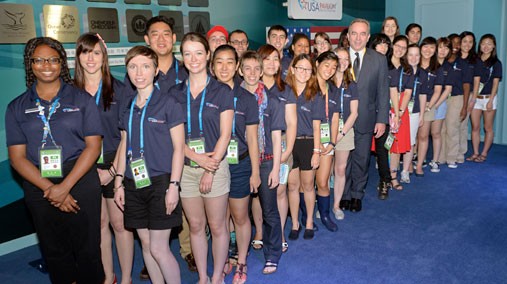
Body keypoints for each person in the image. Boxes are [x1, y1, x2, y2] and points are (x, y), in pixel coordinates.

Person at [6, 36, 104, 283]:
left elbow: (93, 147)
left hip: (79, 178)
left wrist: (65, 187)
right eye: (39, 60)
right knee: (54, 250)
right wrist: (52, 189)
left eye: (52, 59)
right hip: (39, 182)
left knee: (88, 248)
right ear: (30, 64)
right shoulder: (16, 107)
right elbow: (17, 158)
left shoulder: (82, 100)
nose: (46, 65)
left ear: (62, 63)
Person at [114, 46, 185, 284]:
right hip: (133, 182)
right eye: (133, 67)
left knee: (158, 248)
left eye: (145, 66)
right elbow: (124, 146)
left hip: (161, 182)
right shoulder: (128, 107)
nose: (139, 72)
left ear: (156, 71)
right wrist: (118, 183)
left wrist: (174, 185)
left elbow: (179, 148)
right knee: (145, 244)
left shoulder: (169, 103)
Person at [170, 32, 234, 284]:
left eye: (199, 52)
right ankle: (203, 277)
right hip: (185, 168)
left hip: (215, 166)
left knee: (217, 226)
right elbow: (172, 138)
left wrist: (210, 168)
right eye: (187, 53)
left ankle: (217, 276)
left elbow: (226, 134)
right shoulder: (174, 93)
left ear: (208, 55)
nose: (193, 58)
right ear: (182, 57)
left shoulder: (221, 90)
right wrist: (196, 158)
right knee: (195, 226)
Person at [74, 32, 133, 284]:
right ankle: (109, 277)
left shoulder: (120, 89)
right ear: (78, 56)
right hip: (83, 164)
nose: (91, 58)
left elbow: (127, 135)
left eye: (96, 52)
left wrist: (111, 172)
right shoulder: (69, 93)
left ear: (104, 56)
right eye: (86, 52)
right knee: (98, 225)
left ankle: (127, 277)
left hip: (114, 162)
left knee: (119, 224)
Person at [211, 45, 259, 284]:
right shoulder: (206, 95)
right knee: (220, 219)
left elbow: (252, 138)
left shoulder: (248, 99)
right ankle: (226, 258)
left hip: (240, 164)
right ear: (212, 65)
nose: (224, 67)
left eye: (230, 62)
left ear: (237, 66)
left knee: (240, 216)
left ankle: (241, 260)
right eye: (219, 62)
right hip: (215, 165)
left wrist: (256, 172)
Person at [239, 50, 285, 275]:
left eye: (257, 68)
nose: (252, 73)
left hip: (266, 161)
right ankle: (238, 251)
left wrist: (276, 168)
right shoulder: (233, 98)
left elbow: (277, 137)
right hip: (240, 161)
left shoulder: (272, 100)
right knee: (239, 212)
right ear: (240, 70)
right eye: (247, 68)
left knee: (270, 210)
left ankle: (273, 253)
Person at [340, 18, 389, 213]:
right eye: (354, 33)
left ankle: (356, 194)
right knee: (343, 161)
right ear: (348, 36)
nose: (358, 38)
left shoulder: (378, 59)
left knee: (361, 159)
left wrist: (382, 119)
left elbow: (383, 92)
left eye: (362, 34)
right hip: (341, 119)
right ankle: (343, 194)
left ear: (368, 37)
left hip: (366, 118)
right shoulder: (339, 57)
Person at [258, 44, 297, 253]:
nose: (273, 63)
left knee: (279, 191)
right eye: (267, 59)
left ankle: (279, 233)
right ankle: (259, 232)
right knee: (259, 193)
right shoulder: (252, 87)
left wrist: (288, 150)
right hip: (256, 147)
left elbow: (291, 123)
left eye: (276, 59)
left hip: (280, 144)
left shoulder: (286, 89)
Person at [286, 53, 325, 240]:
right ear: (292, 69)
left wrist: (317, 151)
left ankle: (309, 221)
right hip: (289, 144)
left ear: (312, 72)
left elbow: (317, 126)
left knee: (308, 185)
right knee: (292, 185)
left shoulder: (315, 95)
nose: (303, 72)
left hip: (308, 142)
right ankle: (294, 223)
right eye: (299, 68)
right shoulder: (284, 92)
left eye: (307, 69)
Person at [415, 37, 452, 176]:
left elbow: (438, 91)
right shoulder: (414, 64)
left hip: (429, 107)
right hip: (412, 106)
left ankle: (419, 165)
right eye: (425, 46)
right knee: (414, 137)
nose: (428, 50)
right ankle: (412, 161)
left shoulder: (438, 69)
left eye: (432, 47)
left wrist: (429, 107)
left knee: (424, 136)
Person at [332, 47, 359, 217]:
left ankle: (336, 205)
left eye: (345, 59)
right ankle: (324, 203)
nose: (342, 62)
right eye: (338, 58)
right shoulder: (325, 82)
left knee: (340, 169)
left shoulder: (352, 85)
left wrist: (341, 133)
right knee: (324, 171)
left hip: (345, 131)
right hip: (325, 131)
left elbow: (354, 112)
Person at [314, 51, 339, 232]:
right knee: (304, 184)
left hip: (327, 141)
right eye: (326, 65)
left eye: (334, 67)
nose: (330, 70)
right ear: (317, 64)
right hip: (307, 140)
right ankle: (307, 216)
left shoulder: (334, 89)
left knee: (322, 182)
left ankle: (324, 214)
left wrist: (331, 142)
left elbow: (336, 118)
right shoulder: (305, 86)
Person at [439, 33, 472, 168]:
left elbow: (466, 85)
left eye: (459, 43)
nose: (457, 45)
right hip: (443, 99)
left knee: (453, 128)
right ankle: (442, 156)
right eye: (454, 42)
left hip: (457, 98)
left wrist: (465, 106)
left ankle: (452, 157)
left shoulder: (463, 63)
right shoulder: (443, 62)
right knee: (442, 129)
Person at [469, 34, 502, 162]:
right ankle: (476, 153)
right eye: (483, 43)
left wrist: (490, 100)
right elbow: (474, 81)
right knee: (475, 127)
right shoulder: (475, 60)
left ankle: (484, 153)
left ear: (493, 46)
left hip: (489, 98)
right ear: (480, 45)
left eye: (489, 43)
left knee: (487, 127)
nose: (486, 46)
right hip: (476, 98)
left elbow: (495, 83)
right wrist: (472, 99)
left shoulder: (496, 63)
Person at [387, 36, 413, 190]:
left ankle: (393, 176)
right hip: (383, 108)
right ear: (392, 45)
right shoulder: (383, 63)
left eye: (404, 47)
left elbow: (408, 93)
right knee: (384, 146)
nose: (400, 49)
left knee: (396, 146)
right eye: (398, 45)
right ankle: (384, 177)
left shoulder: (407, 68)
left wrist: (399, 114)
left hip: (400, 111)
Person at [405, 44, 428, 179]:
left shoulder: (423, 74)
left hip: (414, 111)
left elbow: (423, 95)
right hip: (400, 112)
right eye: (410, 55)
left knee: (411, 140)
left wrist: (422, 115)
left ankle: (408, 167)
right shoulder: (402, 72)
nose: (414, 58)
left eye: (417, 55)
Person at [431, 37, 454, 171]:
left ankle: (435, 160)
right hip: (424, 103)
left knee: (436, 133)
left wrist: (435, 105)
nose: (443, 50)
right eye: (440, 47)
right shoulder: (428, 63)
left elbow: (448, 90)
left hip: (439, 104)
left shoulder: (449, 68)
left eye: (446, 48)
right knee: (420, 134)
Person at [458, 31, 477, 163]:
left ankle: (461, 152)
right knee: (451, 126)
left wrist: (473, 99)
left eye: (470, 42)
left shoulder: (475, 60)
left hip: (468, 96)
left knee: (463, 125)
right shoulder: (454, 58)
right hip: (453, 95)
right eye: (465, 41)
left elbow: (476, 82)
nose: (467, 44)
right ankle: (450, 151)